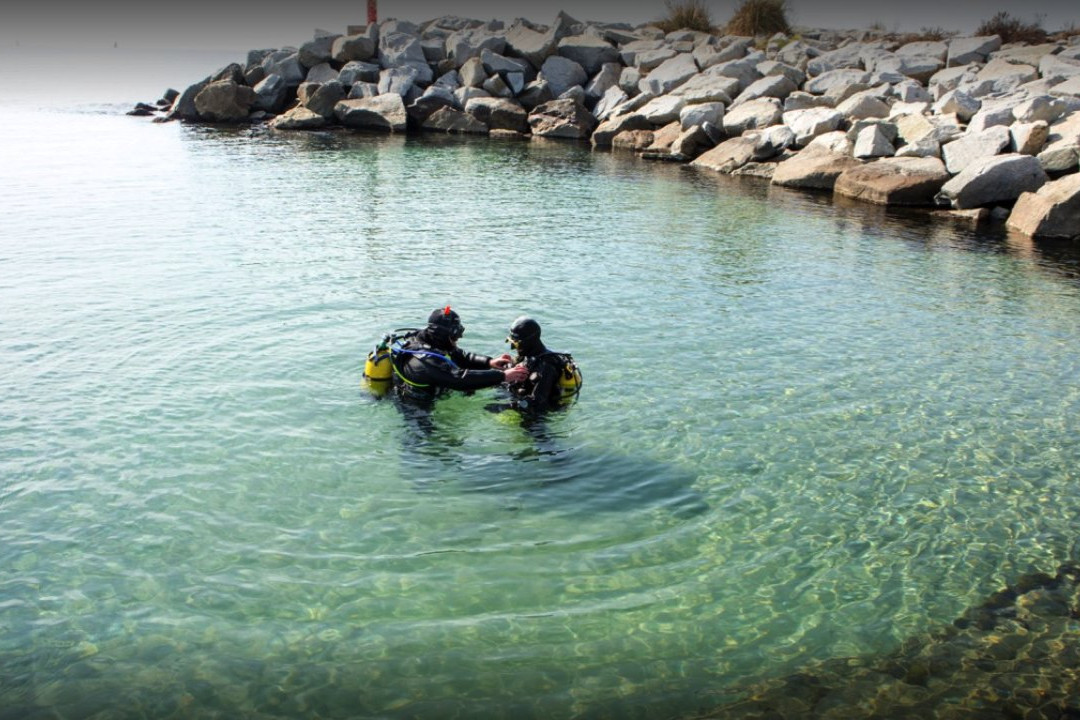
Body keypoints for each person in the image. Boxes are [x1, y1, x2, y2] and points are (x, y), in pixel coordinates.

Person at [392, 306, 528, 403]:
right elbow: (459, 379)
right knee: (427, 436)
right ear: (442, 334)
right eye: (455, 334)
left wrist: (489, 362)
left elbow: (462, 357)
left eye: (459, 332)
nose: (459, 337)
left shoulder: (433, 340)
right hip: (415, 405)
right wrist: (503, 376)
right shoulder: (425, 362)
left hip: (437, 388)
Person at [502, 316, 581, 414]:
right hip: (520, 401)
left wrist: (504, 407)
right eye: (510, 342)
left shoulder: (547, 366)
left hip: (538, 417)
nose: (512, 347)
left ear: (530, 341)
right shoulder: (526, 356)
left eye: (515, 343)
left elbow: (537, 403)